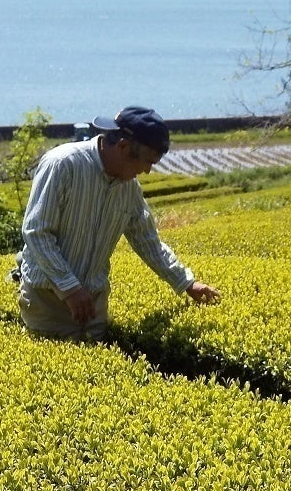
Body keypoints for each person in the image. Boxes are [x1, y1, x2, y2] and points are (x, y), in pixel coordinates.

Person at [13, 105, 220, 340]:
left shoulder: (129, 188)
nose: (148, 171)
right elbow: (36, 232)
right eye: (147, 162)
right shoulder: (63, 165)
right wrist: (69, 287)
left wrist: (186, 283)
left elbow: (147, 241)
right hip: (48, 302)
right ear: (122, 146)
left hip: (94, 304)